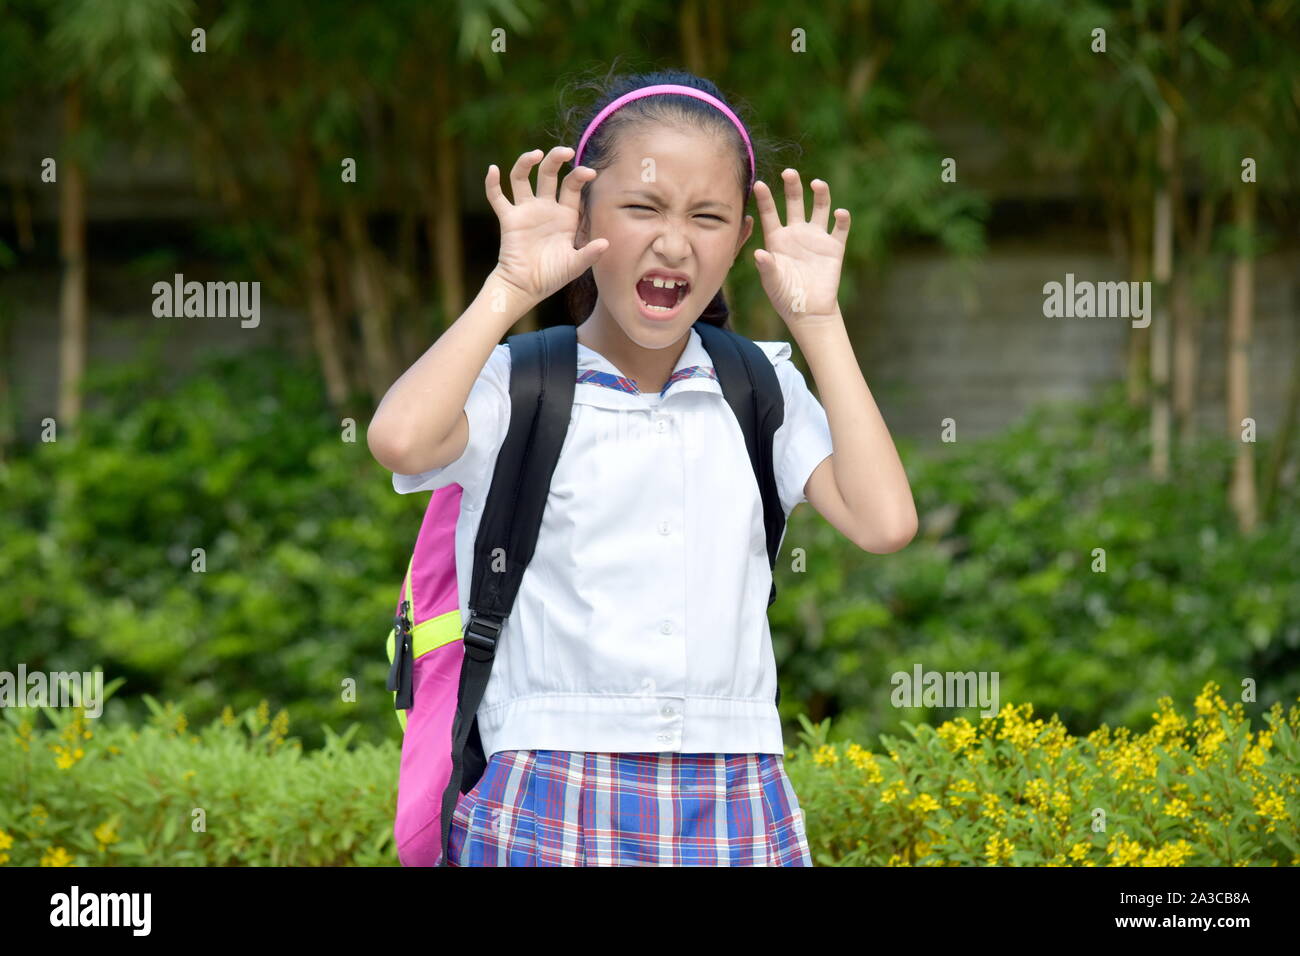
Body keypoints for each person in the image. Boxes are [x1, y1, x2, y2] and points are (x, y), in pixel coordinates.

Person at [367, 68, 918, 866]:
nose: (673, 241)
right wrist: (509, 286)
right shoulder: (519, 381)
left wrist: (820, 322)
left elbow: (885, 521)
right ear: (582, 214)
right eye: (643, 207)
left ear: (738, 240)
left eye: (708, 217)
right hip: (544, 787)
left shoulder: (758, 384)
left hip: (739, 792)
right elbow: (400, 441)